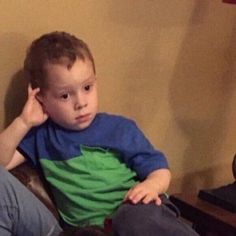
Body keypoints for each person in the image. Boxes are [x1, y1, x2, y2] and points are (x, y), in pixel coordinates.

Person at [0, 31, 199, 236]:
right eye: (65, 95)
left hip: (137, 212)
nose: (81, 103)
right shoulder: (40, 137)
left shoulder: (119, 129)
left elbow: (160, 169)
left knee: (131, 218)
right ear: (41, 97)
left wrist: (151, 186)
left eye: (87, 87)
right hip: (92, 230)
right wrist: (23, 122)